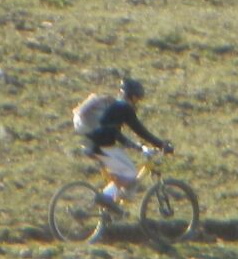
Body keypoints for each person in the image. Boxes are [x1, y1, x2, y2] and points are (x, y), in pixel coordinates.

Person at [72, 75, 170, 207]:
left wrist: (137, 147)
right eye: (137, 97)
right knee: (130, 173)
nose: (138, 101)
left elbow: (116, 135)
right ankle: (105, 198)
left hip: (95, 144)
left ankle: (111, 204)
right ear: (132, 96)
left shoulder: (116, 107)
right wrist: (161, 144)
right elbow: (139, 130)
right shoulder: (124, 108)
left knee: (125, 173)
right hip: (100, 146)